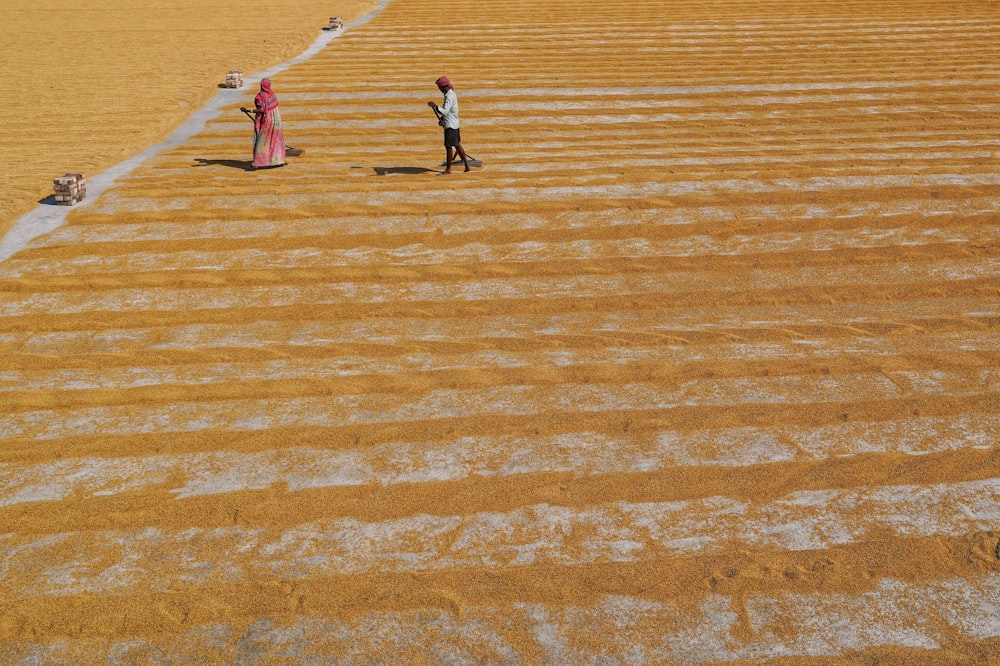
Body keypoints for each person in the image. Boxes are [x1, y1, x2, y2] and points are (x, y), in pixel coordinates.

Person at [427, 76, 470, 174]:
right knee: (457, 145)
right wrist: (442, 119)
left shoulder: (449, 96)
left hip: (450, 125)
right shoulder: (450, 94)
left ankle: (448, 169)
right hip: (453, 123)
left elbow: (445, 111)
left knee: (449, 146)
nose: (439, 90)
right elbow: (449, 111)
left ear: (443, 87)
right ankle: (467, 167)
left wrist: (435, 106)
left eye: (439, 88)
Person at [240, 78, 286, 170]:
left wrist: (248, 110)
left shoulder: (260, 96)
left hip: (267, 122)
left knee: (263, 141)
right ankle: (278, 160)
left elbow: (261, 110)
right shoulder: (272, 95)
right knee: (276, 141)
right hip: (276, 122)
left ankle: (258, 162)